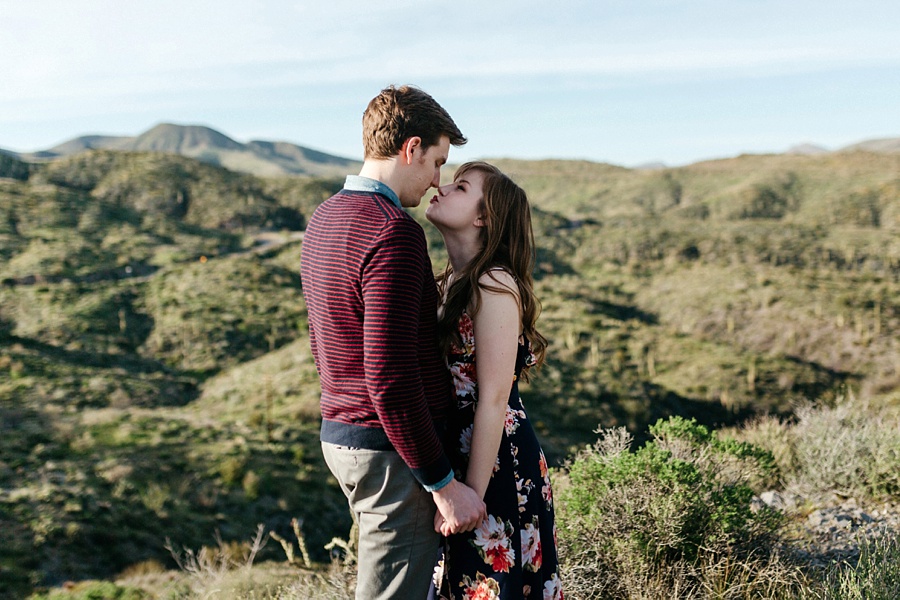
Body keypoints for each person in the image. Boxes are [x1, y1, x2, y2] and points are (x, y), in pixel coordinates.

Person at [300, 85, 486, 599]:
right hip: (391, 453)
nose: (436, 182)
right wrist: (442, 484)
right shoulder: (393, 231)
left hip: (342, 435)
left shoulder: (325, 218)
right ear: (411, 148)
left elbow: (326, 343)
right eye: (436, 163)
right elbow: (390, 378)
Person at [425, 162, 562, 599]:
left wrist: (470, 500)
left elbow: (494, 400)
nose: (443, 188)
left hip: (497, 464)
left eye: (461, 187)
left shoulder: (494, 283)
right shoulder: (451, 283)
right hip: (461, 458)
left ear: (483, 217)